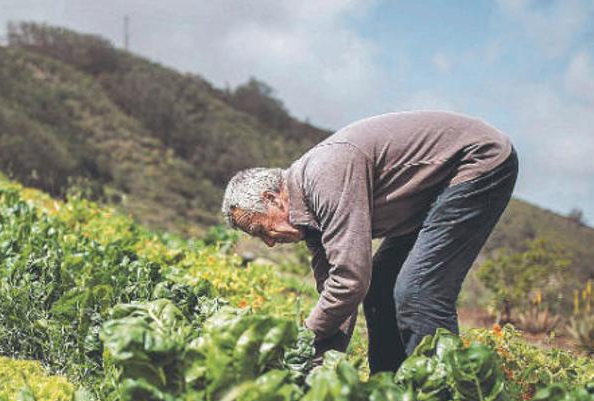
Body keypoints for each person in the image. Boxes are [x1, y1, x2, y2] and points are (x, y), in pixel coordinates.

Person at [221, 110, 518, 373]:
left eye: (261, 230)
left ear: (272, 199)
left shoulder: (324, 177)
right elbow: (337, 292)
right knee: (378, 289)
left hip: (478, 161)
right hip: (432, 191)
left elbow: (350, 279)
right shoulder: (308, 217)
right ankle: (388, 391)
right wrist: (312, 366)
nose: (269, 244)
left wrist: (304, 335)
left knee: (418, 292)